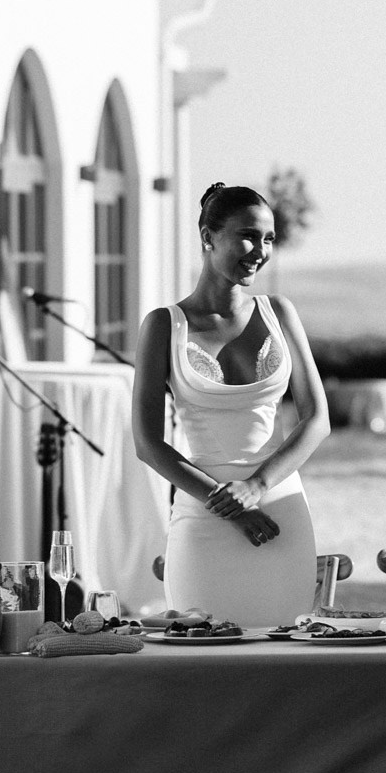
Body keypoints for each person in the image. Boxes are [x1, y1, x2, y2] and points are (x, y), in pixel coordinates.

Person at [132, 181, 330, 625]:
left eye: (268, 239)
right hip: (204, 519)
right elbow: (147, 443)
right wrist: (230, 505)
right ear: (208, 237)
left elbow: (317, 420)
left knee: (284, 655)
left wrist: (257, 487)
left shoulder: (279, 312)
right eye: (247, 235)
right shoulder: (164, 326)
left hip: (280, 515)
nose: (259, 250)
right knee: (200, 655)